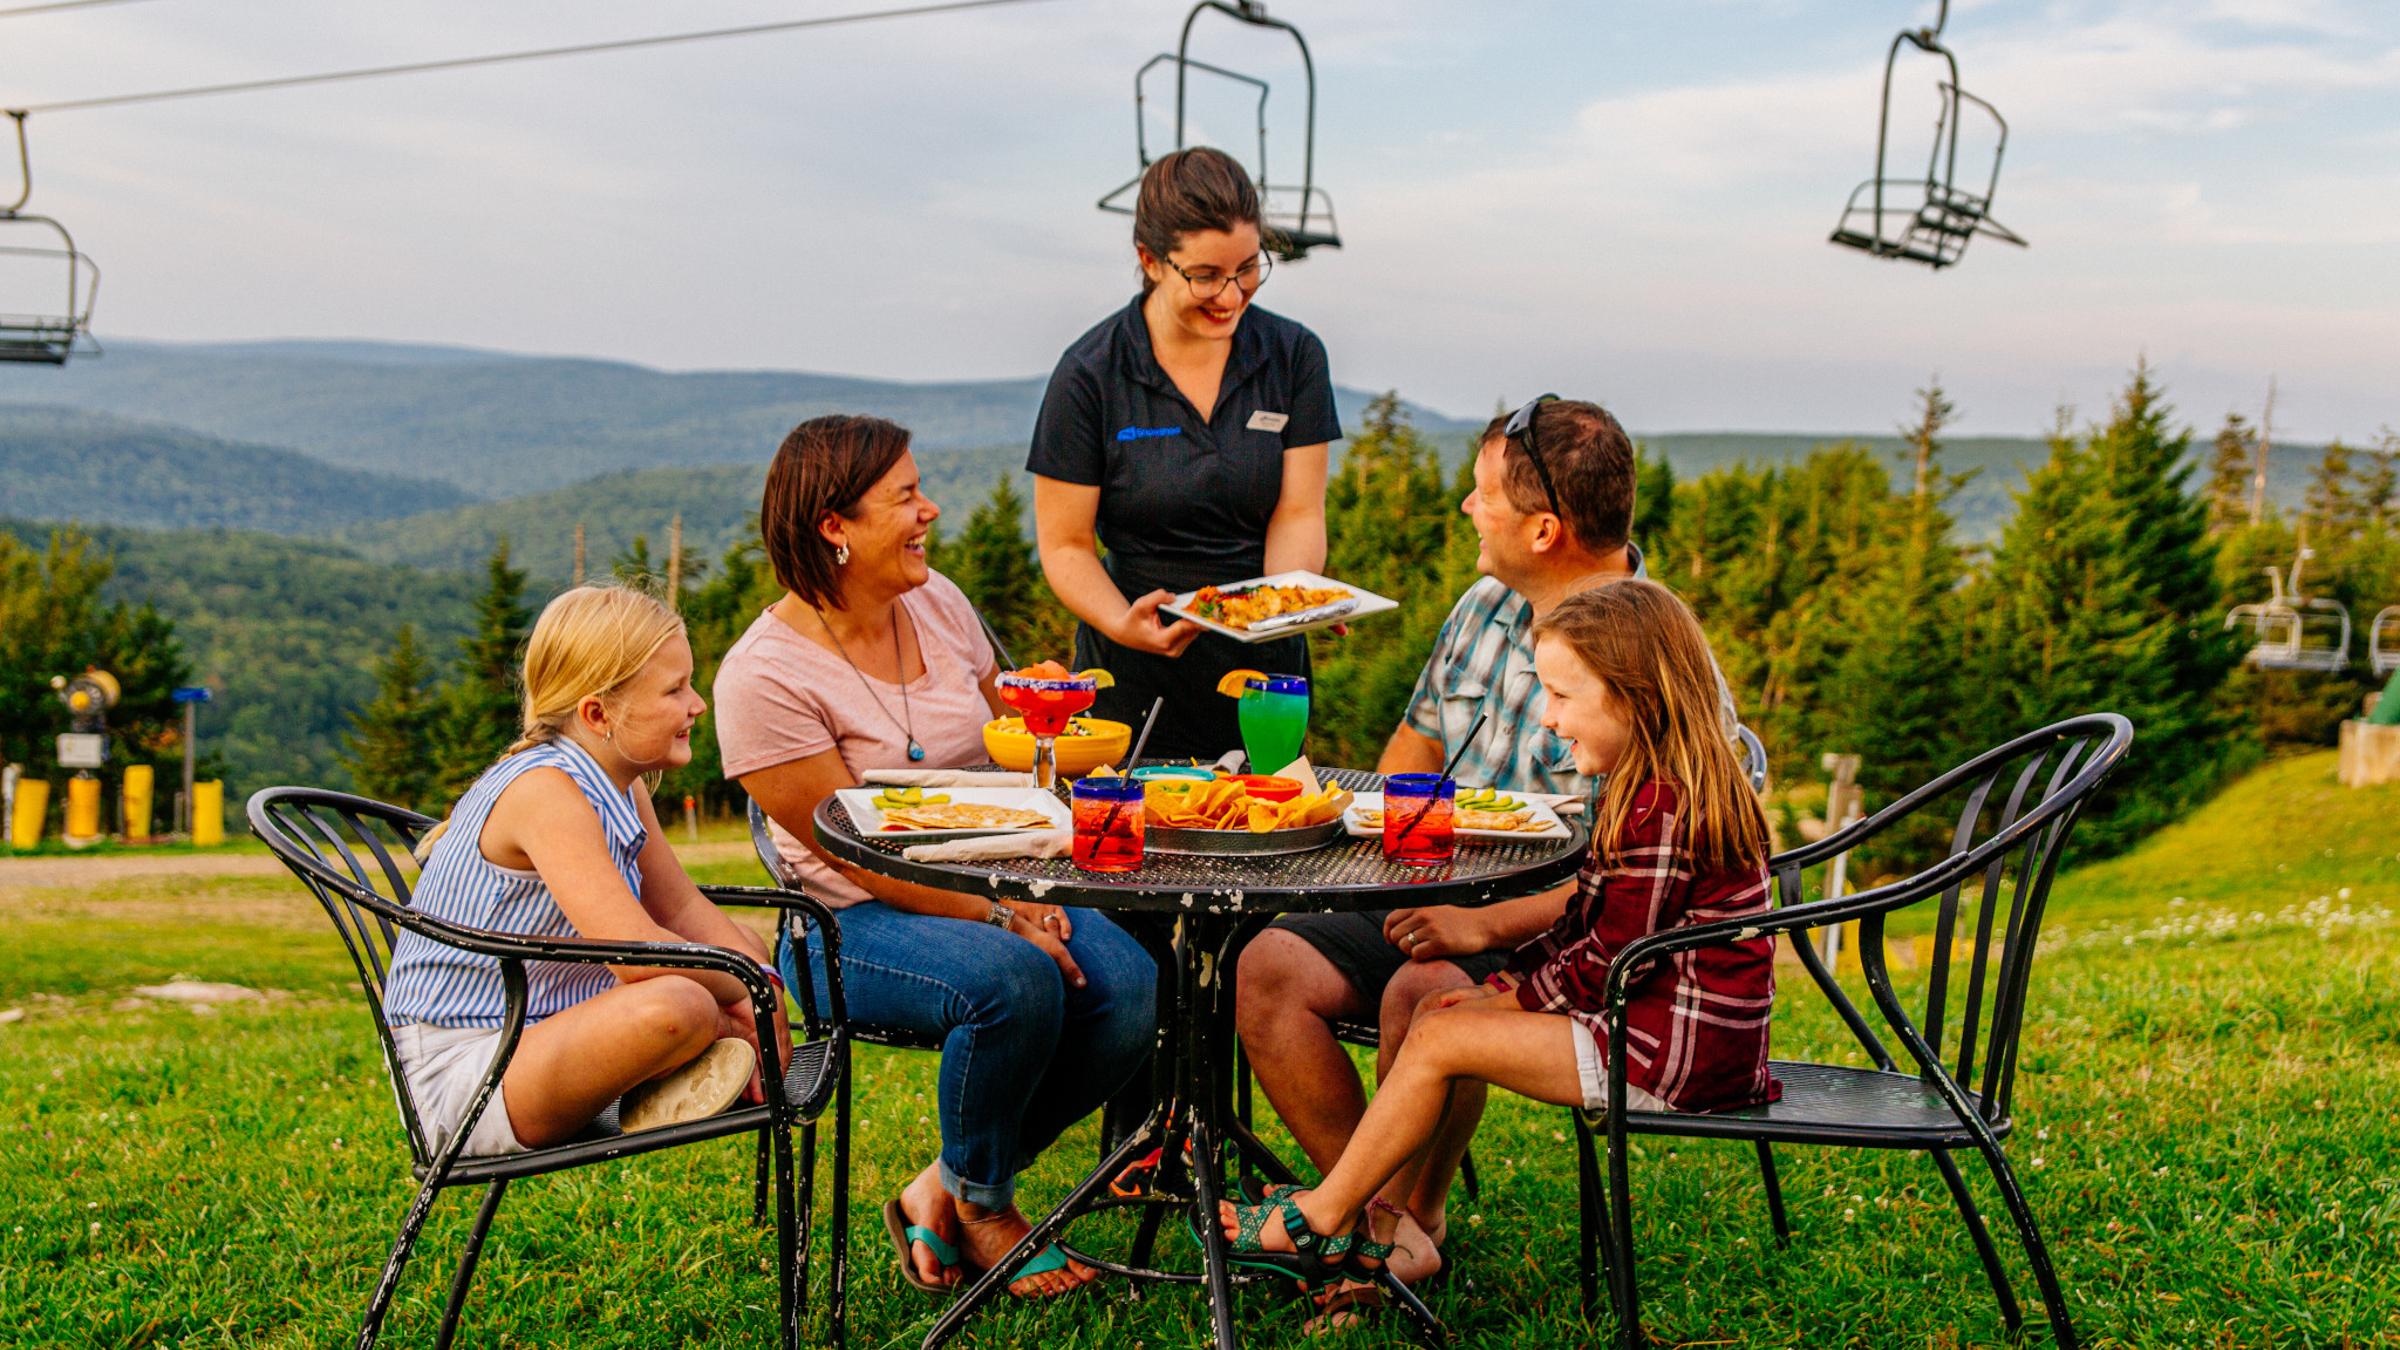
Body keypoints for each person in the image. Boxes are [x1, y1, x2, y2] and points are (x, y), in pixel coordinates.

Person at [1235, 395, 1740, 1285]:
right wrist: (1372, 859)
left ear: (1544, 529)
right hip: (1437, 885)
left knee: (1426, 991)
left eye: (1482, 494)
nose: (1468, 507)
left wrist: (1491, 928)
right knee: (1267, 968)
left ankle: (1382, 1230)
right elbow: (1415, 747)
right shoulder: (1482, 606)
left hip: (1559, 927)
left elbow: (1677, 860)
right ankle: (1375, 1224)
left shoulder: (1648, 654)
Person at [1215, 579, 1778, 1324]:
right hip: (1655, 1027)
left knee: (1444, 1032)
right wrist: (1504, 985)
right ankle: (1383, 1224)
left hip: (1672, 1052)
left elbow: (1610, 958)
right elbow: (1586, 920)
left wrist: (1506, 997)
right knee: (1439, 1008)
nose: (1548, 719)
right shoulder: (1645, 786)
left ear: (1636, 695)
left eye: (1563, 697)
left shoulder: (1663, 804)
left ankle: (1328, 1215)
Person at [714, 414, 1156, 1299]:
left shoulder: (937, 601)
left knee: (1132, 986)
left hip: (999, 882)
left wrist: (1045, 715)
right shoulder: (761, 678)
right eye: (906, 497)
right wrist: (997, 913)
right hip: (847, 920)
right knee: (1012, 982)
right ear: (834, 526)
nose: (931, 511)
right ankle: (987, 1205)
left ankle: (942, 1184)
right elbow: (856, 851)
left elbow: (1013, 735)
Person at [382, 583, 792, 1160]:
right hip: (470, 1070)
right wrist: (750, 997)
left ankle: (694, 1057)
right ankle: (702, 1053)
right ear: (598, 713)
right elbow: (634, 952)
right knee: (680, 1003)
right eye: (675, 690)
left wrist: (758, 981)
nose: (697, 704)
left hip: (545, 1031)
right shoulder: (546, 792)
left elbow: (680, 909)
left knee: (741, 944)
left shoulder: (624, 785)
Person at [1029, 145, 1342, 760]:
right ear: (1150, 260)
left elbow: (1298, 512)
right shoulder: (1090, 373)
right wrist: (1121, 621)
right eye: (1205, 276)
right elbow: (1065, 545)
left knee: (1266, 834)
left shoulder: (1295, 356)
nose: (1230, 295)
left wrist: (1288, 599)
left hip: (1263, 681)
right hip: (1130, 676)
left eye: (1249, 268)